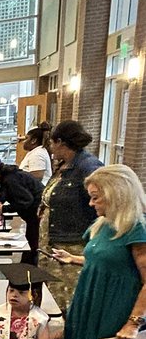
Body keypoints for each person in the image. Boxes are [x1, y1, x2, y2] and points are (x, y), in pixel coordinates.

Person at [57, 164, 146, 339]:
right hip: (91, 303)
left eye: (96, 198)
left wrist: (133, 323)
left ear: (116, 195)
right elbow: (104, 262)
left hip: (117, 309)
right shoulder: (103, 225)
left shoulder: (137, 229)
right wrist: (73, 259)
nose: (91, 203)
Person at [38, 120, 104, 311]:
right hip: (55, 242)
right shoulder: (64, 166)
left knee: (72, 300)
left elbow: (102, 204)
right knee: (57, 296)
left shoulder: (88, 167)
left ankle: (73, 338)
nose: (50, 148)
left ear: (61, 142)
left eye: (51, 143)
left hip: (73, 244)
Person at [0, 155, 43, 257]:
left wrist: (4, 209)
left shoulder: (11, 179)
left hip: (37, 213)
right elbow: (1, 197)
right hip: (33, 215)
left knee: (32, 246)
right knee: (30, 244)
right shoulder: (6, 177)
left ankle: (29, 269)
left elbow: (25, 201)